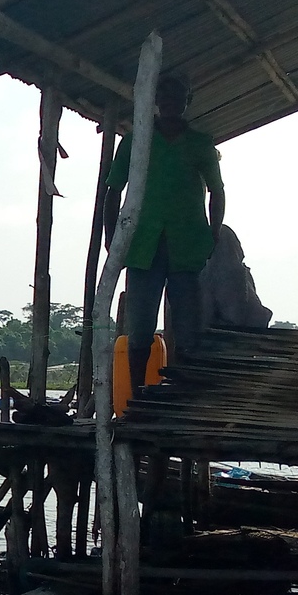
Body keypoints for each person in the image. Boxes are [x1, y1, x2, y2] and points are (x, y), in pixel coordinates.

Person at [105, 74, 224, 386]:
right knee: (141, 326)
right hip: (142, 244)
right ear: (156, 102)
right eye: (165, 96)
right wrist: (111, 238)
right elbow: (113, 190)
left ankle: (181, 394)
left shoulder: (200, 144)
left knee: (187, 327)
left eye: (178, 97)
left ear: (187, 102)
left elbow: (217, 191)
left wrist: (213, 234)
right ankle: (135, 393)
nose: (171, 102)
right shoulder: (136, 141)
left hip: (187, 245)